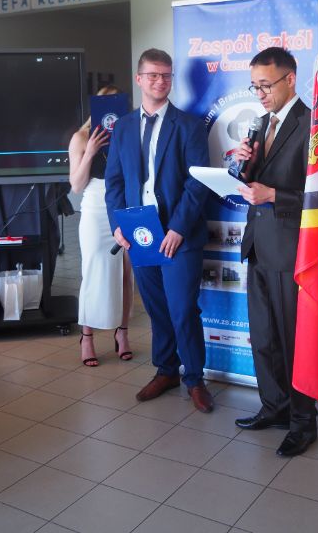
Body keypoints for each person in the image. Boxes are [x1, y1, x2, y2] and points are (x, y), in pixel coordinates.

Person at [104, 48, 214, 413]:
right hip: (140, 233)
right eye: (152, 75)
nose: (160, 81)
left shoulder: (189, 125)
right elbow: (114, 183)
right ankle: (166, 370)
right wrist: (118, 226)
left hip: (179, 235)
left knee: (183, 309)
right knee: (156, 308)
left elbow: (197, 183)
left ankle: (194, 379)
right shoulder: (122, 127)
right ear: (139, 79)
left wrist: (179, 228)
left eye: (166, 75)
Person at [232, 47, 317, 456]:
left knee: (293, 340)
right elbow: (254, 182)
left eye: (266, 86)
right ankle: (275, 406)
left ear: (290, 79)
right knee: (264, 337)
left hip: (292, 251)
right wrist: (243, 165)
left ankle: (303, 422)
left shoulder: (312, 124)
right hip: (258, 245)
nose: (260, 94)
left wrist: (274, 195)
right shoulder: (261, 123)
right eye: (255, 87)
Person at [68, 85, 134, 367]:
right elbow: (76, 185)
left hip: (125, 203)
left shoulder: (130, 132)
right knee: (93, 270)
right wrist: (91, 152)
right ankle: (87, 337)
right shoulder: (81, 138)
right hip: (95, 204)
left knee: (126, 273)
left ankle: (122, 333)